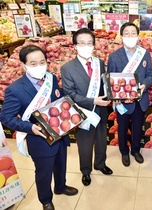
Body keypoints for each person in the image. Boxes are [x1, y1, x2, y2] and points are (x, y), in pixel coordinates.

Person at [0, 45, 78, 210]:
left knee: (61, 164)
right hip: (39, 139)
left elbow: (59, 98)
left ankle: (60, 187)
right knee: (44, 171)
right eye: (33, 63)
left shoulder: (51, 79)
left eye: (42, 62)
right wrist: (29, 127)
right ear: (24, 65)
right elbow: (6, 117)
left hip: (59, 133)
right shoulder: (15, 90)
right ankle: (46, 200)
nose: (39, 66)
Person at [61, 28, 113, 187]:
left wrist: (111, 94)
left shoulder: (99, 63)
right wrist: (93, 101)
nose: (86, 46)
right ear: (75, 46)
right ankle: (85, 171)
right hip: (82, 112)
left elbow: (104, 85)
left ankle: (100, 163)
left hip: (101, 109)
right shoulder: (67, 68)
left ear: (94, 45)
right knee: (84, 144)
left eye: (90, 43)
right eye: (82, 43)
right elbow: (69, 94)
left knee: (101, 140)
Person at [107, 22, 152, 167]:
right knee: (122, 127)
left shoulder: (144, 54)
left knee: (138, 126)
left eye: (133, 33)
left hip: (139, 100)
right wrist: (118, 96)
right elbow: (110, 79)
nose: (130, 36)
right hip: (122, 101)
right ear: (121, 36)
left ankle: (135, 150)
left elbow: (150, 75)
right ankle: (124, 152)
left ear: (138, 36)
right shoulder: (114, 56)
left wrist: (144, 85)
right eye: (126, 33)